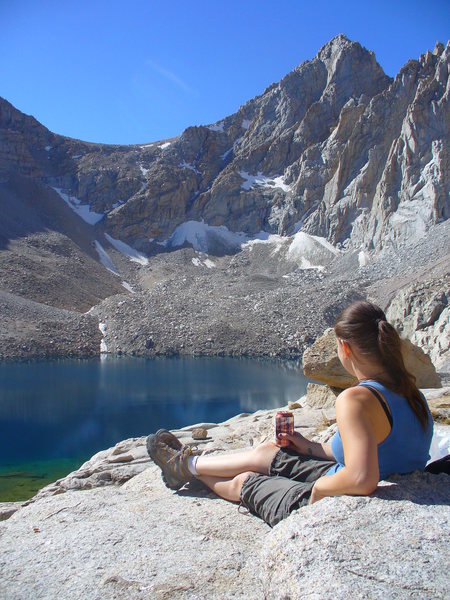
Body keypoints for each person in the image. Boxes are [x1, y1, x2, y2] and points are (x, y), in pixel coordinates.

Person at [147, 301, 433, 527]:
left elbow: (362, 478)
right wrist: (308, 446)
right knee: (267, 452)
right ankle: (189, 464)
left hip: (333, 493)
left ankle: (187, 471)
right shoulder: (413, 394)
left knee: (246, 480)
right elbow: (375, 452)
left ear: (345, 348)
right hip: (349, 476)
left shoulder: (354, 400)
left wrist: (318, 491)